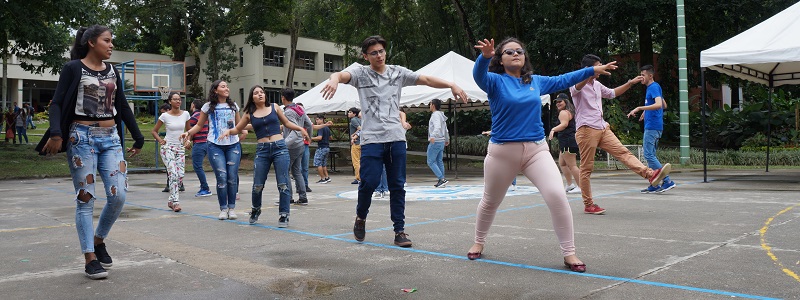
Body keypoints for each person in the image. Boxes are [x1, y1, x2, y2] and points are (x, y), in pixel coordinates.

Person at [468, 37, 621, 272]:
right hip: (502, 153)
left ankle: (569, 254)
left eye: (519, 51)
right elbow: (478, 75)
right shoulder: (495, 82)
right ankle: (478, 240)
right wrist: (485, 56)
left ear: (524, 57)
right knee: (490, 201)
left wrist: (591, 70)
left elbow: (563, 79)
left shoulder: (536, 82)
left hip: (535, 150)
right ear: (501, 59)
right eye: (509, 52)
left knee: (557, 196)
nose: (515, 54)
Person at [321, 35, 468, 247]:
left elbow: (425, 79)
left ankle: (399, 230)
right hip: (372, 140)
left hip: (396, 138)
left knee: (397, 185)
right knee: (369, 181)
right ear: (365, 56)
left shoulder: (398, 72)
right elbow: (340, 74)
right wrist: (334, 79)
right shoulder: (360, 74)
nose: (379, 55)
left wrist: (451, 84)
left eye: (381, 51)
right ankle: (361, 217)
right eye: (374, 53)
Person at [36, 25, 145, 279]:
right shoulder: (73, 68)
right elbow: (57, 104)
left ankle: (99, 239)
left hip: (111, 139)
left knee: (118, 196)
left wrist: (138, 136)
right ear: (92, 43)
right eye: (107, 40)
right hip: (81, 139)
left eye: (111, 41)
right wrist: (55, 133)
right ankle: (89, 258)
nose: (111, 45)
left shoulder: (112, 71)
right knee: (86, 198)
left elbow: (123, 106)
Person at [571, 54, 672, 215]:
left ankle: (651, 175)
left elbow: (612, 93)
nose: (601, 69)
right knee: (586, 169)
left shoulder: (597, 85)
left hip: (603, 128)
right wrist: (591, 71)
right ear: (589, 68)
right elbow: (578, 86)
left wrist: (630, 83)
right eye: (598, 66)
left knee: (623, 152)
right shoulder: (576, 84)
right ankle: (588, 204)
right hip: (586, 130)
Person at [218, 85, 309, 226]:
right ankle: (255, 210)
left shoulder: (275, 107)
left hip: (280, 148)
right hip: (262, 150)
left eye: (262, 92)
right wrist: (228, 132)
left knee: (283, 184)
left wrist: (300, 128)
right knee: (257, 185)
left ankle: (284, 215)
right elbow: (238, 128)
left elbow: (286, 123)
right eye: (256, 93)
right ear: (252, 97)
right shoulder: (249, 112)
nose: (260, 94)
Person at [182, 80, 245, 220]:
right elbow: (198, 125)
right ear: (215, 90)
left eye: (227, 86)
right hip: (214, 145)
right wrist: (188, 133)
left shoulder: (233, 106)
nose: (227, 88)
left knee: (232, 178)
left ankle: (232, 208)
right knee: (221, 177)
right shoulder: (207, 107)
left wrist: (244, 130)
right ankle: (223, 209)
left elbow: (239, 125)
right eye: (223, 86)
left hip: (233, 145)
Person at [627, 64, 676, 193]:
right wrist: (646, 113)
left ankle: (667, 181)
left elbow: (659, 104)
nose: (641, 77)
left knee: (648, 154)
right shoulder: (655, 87)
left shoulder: (653, 87)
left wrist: (640, 108)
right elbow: (663, 104)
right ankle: (654, 184)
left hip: (652, 127)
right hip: (656, 126)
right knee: (651, 155)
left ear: (650, 75)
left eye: (643, 75)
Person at [151, 92, 190, 212]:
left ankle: (171, 200)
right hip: (168, 148)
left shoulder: (186, 114)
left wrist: (188, 141)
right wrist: (160, 141)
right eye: (175, 99)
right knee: (172, 174)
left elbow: (189, 131)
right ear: (170, 101)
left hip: (180, 148)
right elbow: (154, 131)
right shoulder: (165, 116)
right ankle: (176, 203)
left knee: (180, 176)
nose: (178, 101)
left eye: (179, 99)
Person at [280, 88, 313, 206]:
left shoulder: (288, 112)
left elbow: (295, 131)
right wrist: (309, 137)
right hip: (300, 144)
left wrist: (284, 144)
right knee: (297, 171)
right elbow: (309, 124)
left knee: (285, 171)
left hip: (291, 145)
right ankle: (303, 197)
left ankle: (287, 197)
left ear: (283, 98)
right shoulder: (299, 108)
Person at [548, 93, 581, 194]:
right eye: (557, 102)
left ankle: (581, 186)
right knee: (562, 164)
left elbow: (564, 124)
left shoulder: (563, 112)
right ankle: (570, 185)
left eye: (560, 101)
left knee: (572, 165)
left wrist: (553, 130)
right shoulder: (570, 111)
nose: (558, 103)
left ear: (566, 102)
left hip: (568, 141)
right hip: (567, 141)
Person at [185, 99, 213, 197]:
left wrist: (187, 141)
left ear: (193, 105)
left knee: (197, 166)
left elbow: (191, 131)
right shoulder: (204, 116)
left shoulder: (193, 117)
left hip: (199, 144)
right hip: (207, 142)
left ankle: (205, 188)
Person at [427, 98, 450, 188]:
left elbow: (438, 127)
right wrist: (447, 139)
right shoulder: (441, 115)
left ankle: (442, 179)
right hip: (441, 141)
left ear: (433, 105)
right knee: (439, 161)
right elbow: (445, 128)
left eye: (430, 104)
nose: (429, 106)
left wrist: (432, 136)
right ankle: (442, 180)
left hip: (435, 141)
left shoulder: (435, 115)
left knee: (430, 161)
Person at [296, 102, 312, 193]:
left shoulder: (306, 119)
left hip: (305, 145)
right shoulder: (293, 119)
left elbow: (312, 126)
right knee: (298, 168)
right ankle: (299, 186)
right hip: (297, 145)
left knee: (305, 167)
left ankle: (305, 185)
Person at [312, 115, 332, 184]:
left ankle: (322, 178)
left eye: (317, 119)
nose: (316, 121)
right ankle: (327, 177)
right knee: (324, 163)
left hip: (321, 147)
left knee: (318, 163)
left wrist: (311, 138)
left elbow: (319, 137)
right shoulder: (327, 128)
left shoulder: (321, 128)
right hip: (327, 147)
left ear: (322, 120)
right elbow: (331, 137)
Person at [346, 107, 362, 184]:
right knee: (361, 161)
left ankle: (358, 178)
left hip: (356, 142)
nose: (348, 113)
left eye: (350, 112)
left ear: (354, 114)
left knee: (356, 162)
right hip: (361, 142)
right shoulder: (360, 120)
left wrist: (353, 135)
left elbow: (360, 129)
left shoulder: (353, 120)